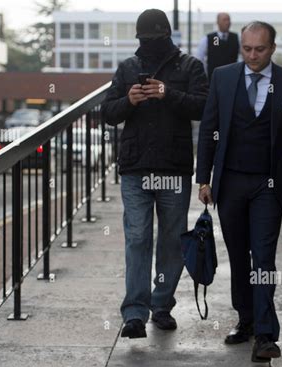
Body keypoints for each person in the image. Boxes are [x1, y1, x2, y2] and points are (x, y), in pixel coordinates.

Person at [196, 21, 282, 362]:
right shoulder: (222, 78)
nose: (252, 56)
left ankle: (266, 335)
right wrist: (203, 179)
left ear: (273, 48)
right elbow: (208, 129)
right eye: (247, 49)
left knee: (263, 258)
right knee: (238, 257)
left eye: (260, 49)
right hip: (230, 183)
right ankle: (246, 320)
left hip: (269, 184)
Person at [101, 9, 208, 339]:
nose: (148, 45)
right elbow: (107, 112)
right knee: (137, 237)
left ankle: (161, 306)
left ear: (168, 36)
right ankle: (135, 312)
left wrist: (168, 93)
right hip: (135, 168)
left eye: (154, 40)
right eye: (144, 41)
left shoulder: (190, 66)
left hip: (173, 167)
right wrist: (129, 101)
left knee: (172, 241)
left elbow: (204, 107)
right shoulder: (128, 68)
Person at [195, 13, 240, 82]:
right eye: (224, 20)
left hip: (232, 77)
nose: (227, 22)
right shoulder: (211, 38)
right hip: (214, 78)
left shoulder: (236, 38)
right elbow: (199, 58)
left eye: (228, 20)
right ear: (218, 22)